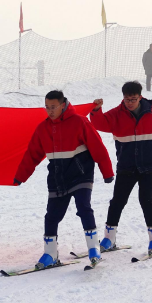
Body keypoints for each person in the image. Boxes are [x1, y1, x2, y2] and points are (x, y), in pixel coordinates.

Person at [14, 90, 114, 269]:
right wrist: (20, 176)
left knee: (84, 208)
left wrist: (107, 172)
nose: (50, 111)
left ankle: (93, 249)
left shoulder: (80, 122)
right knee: (52, 216)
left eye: (53, 107)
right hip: (57, 177)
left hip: (81, 174)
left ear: (62, 105)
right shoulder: (42, 128)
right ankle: (50, 253)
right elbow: (32, 155)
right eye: (47, 107)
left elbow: (98, 147)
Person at [90, 81, 152, 255]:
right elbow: (100, 124)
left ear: (140, 97)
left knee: (146, 199)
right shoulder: (116, 115)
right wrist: (96, 110)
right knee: (117, 201)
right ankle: (109, 239)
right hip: (126, 165)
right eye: (127, 99)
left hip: (150, 165)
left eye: (133, 99)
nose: (130, 102)